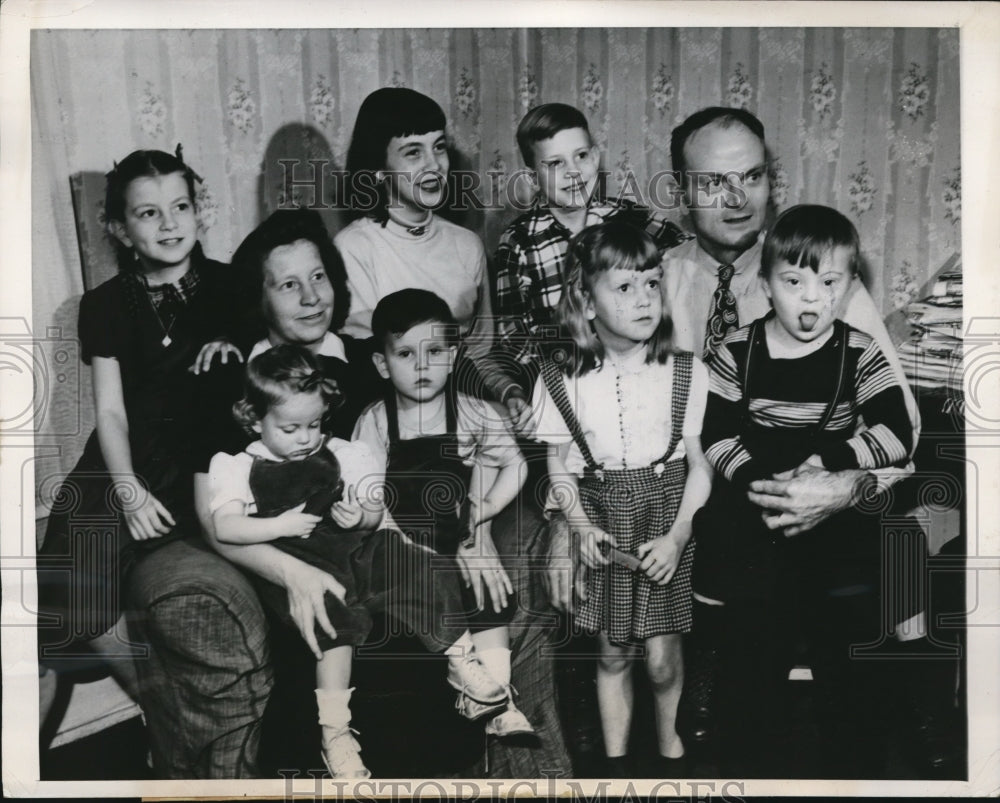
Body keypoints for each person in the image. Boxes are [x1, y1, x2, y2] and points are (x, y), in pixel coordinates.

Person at [659, 107, 943, 764]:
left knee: (891, 527)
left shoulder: (819, 270)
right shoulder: (658, 280)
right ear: (681, 189)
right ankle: (699, 664)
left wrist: (840, 481)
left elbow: (903, 422)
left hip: (824, 480)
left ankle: (904, 696)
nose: (736, 199)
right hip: (701, 484)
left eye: (752, 176)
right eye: (713, 183)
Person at [206, 345, 511, 778]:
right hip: (301, 566)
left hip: (353, 551)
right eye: (290, 428)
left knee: (417, 563)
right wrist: (282, 525)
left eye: (314, 424)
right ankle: (335, 732)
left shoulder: (342, 453)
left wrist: (360, 514)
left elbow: (371, 511)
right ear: (255, 420)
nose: (305, 438)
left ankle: (463, 664)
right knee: (333, 619)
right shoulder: (237, 465)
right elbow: (227, 528)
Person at [695, 205, 914, 776]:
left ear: (847, 288)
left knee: (848, 649)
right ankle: (732, 734)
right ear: (766, 284)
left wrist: (829, 462)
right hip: (757, 507)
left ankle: (857, 754)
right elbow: (716, 436)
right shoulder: (735, 351)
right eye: (793, 281)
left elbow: (897, 433)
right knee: (750, 662)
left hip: (829, 510)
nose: (811, 298)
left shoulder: (860, 352)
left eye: (829, 282)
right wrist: (758, 483)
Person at [37, 147, 236, 723]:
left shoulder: (233, 287)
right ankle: (161, 705)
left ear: (200, 212)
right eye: (149, 214)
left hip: (195, 457)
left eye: (180, 206)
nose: (170, 223)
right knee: (70, 569)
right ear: (119, 229)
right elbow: (111, 411)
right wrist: (125, 488)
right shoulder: (105, 305)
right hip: (120, 459)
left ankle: (170, 716)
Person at [529, 221, 712, 777]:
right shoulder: (559, 380)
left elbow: (699, 466)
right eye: (624, 288)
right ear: (585, 301)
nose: (644, 300)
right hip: (603, 515)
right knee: (612, 652)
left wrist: (679, 536)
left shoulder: (685, 371)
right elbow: (557, 467)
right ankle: (614, 770)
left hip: (665, 515)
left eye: (652, 284)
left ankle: (672, 758)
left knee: (661, 659)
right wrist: (580, 524)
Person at [353, 289, 534, 738]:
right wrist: (405, 544)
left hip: (454, 531)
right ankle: (467, 679)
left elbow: (516, 463)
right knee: (432, 581)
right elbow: (370, 496)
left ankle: (498, 699)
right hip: (400, 540)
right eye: (405, 353)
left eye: (434, 352)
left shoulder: (472, 413)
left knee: (489, 590)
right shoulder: (376, 422)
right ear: (382, 364)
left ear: (453, 356)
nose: (421, 366)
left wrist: (485, 509)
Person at [494, 102, 690, 429]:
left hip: (642, 385)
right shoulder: (519, 242)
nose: (573, 172)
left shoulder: (631, 219)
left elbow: (690, 255)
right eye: (555, 163)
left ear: (596, 158)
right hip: (566, 390)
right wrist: (561, 376)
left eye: (581, 156)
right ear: (532, 177)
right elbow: (514, 338)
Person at [335, 87, 516, 407]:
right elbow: (371, 366)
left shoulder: (467, 245)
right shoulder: (353, 248)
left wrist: (508, 393)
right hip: (394, 413)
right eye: (413, 152)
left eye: (439, 147)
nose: (434, 165)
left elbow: (481, 355)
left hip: (469, 408)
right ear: (379, 168)